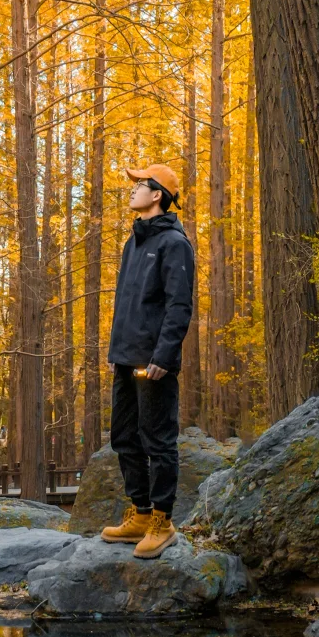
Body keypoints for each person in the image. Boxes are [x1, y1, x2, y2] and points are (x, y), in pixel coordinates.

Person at [101, 163, 195, 558]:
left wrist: (164, 356)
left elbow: (179, 305)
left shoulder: (175, 243)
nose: (133, 190)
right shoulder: (133, 242)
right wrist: (115, 352)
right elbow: (126, 301)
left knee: (158, 441)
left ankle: (162, 521)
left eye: (140, 185)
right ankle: (140, 514)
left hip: (154, 362)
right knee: (123, 437)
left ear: (158, 194)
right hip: (126, 357)